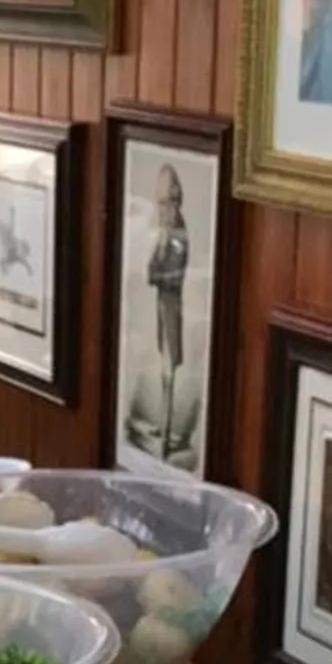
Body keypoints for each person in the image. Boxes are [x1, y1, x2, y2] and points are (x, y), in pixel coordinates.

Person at [146, 162, 191, 459]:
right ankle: (162, 425)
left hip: (171, 307)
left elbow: (168, 274)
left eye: (166, 202)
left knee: (168, 368)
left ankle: (165, 431)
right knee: (162, 362)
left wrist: (156, 273)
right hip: (163, 305)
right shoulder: (166, 231)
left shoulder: (176, 234)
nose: (162, 208)